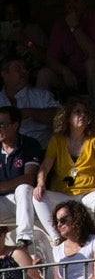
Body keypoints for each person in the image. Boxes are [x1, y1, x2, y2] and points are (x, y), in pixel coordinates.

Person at [32, 99, 95, 241]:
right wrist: (40, 183)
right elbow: (45, 166)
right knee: (37, 197)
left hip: (90, 191)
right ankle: (57, 238)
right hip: (63, 194)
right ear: (68, 118)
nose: (82, 115)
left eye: (85, 113)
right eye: (77, 112)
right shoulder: (57, 140)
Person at [44, 0, 95, 96]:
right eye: (67, 2)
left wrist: (74, 27)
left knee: (90, 64)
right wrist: (64, 70)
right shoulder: (60, 24)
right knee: (45, 74)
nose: (71, 6)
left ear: (85, 2)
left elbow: (93, 53)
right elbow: (50, 59)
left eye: (76, 1)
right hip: (73, 76)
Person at [0, 102, 40, 248]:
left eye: (2, 124)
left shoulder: (29, 144)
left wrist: (2, 186)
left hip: (23, 199)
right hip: (2, 201)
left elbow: (29, 178)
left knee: (23, 188)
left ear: (15, 125)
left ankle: (24, 239)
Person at [0, 55, 57, 149]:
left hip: (42, 152)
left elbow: (61, 118)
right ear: (5, 75)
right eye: (18, 68)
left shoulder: (42, 95)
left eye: (25, 68)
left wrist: (30, 113)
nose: (24, 72)